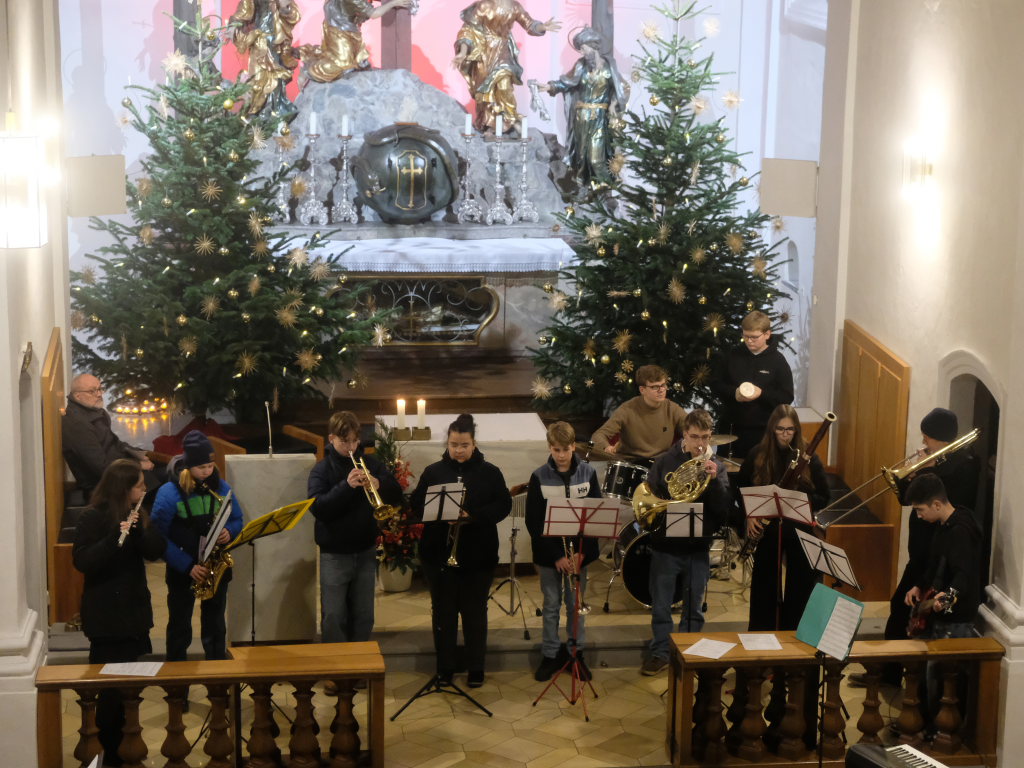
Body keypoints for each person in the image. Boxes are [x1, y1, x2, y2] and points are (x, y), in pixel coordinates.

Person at [72, 459, 165, 766]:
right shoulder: (91, 517)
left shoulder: (137, 514)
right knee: (109, 697)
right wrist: (114, 538)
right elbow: (83, 561)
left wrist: (138, 533)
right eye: (139, 485)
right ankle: (107, 758)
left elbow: (156, 550)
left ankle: (126, 755)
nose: (144, 490)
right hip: (106, 619)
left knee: (129, 695)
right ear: (123, 488)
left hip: (133, 615)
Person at [410, 414, 512, 688]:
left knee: (474, 612)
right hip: (438, 554)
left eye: (464, 445)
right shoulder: (434, 472)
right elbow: (416, 506)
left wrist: (472, 515)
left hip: (478, 555)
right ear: (448, 443)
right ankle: (445, 667)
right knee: (443, 613)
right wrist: (439, 513)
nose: (458, 450)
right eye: (454, 444)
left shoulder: (490, 472)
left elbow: (503, 505)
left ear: (474, 443)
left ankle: (476, 667)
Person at [641, 409, 730, 676]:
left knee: (694, 608)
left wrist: (714, 482)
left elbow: (723, 511)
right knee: (661, 606)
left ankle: (689, 653)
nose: (700, 444)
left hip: (698, 547)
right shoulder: (665, 462)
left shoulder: (717, 466)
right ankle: (660, 653)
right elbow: (652, 498)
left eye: (705, 437)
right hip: (666, 546)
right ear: (684, 435)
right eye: (694, 437)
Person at [308, 412, 402, 650]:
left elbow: (397, 493)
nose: (351, 447)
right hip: (334, 553)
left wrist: (379, 483)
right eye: (344, 441)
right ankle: (336, 665)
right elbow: (318, 508)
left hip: (365, 549)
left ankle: (360, 661)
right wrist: (346, 486)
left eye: (354, 441)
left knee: (364, 614)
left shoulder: (371, 464)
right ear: (331, 439)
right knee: (333, 616)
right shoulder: (321, 470)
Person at [735, 405, 830, 631]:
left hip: (799, 529)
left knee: (800, 587)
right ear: (772, 429)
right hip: (767, 531)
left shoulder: (809, 457)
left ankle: (793, 638)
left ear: (796, 430)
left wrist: (798, 499)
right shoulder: (758, 453)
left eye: (790, 429)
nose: (785, 434)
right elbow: (740, 488)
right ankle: (762, 638)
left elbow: (824, 496)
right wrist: (750, 514)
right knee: (765, 587)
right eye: (780, 429)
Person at [151, 430, 243, 662]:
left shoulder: (221, 487)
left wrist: (229, 531)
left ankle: (216, 667)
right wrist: (187, 565)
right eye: (201, 467)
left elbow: (237, 518)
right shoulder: (169, 493)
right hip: (183, 568)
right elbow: (158, 536)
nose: (207, 472)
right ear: (188, 466)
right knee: (179, 623)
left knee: (215, 623)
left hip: (215, 565)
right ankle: (176, 672)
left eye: (210, 466)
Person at [525, 421, 603, 682]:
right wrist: (556, 556)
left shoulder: (588, 473)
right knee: (551, 605)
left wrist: (582, 553)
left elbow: (596, 516)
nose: (561, 455)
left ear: (573, 447)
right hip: (550, 556)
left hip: (578, 553)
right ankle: (549, 655)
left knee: (575, 605)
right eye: (556, 449)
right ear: (550, 447)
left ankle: (575, 654)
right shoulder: (539, 476)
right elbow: (534, 523)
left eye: (566, 449)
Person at [540, 27, 628, 193]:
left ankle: (604, 192)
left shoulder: (609, 67)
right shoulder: (580, 66)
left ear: (593, 46)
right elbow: (567, 83)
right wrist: (550, 86)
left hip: (599, 118)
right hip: (581, 119)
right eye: (580, 49)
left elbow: (622, 88)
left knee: (596, 158)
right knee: (581, 158)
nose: (582, 52)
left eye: (583, 48)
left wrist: (613, 103)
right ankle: (585, 192)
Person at [453, 0, 560, 135]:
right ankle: (489, 124)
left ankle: (511, 119)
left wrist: (542, 27)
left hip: (503, 50)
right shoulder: (483, 5)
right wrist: (463, 52)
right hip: (484, 52)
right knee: (486, 90)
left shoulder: (514, 6)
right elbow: (468, 30)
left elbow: (529, 24)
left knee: (504, 86)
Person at [710, 311, 794, 460]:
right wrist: (734, 393)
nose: (749, 341)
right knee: (728, 468)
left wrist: (761, 394)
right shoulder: (732, 355)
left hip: (763, 430)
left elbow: (787, 396)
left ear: (767, 334)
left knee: (759, 470)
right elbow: (715, 384)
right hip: (731, 427)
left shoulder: (778, 361)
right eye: (745, 336)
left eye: (754, 337)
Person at [62, 373, 156, 495]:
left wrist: (139, 453)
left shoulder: (94, 412)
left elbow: (115, 443)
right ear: (78, 396)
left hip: (120, 468)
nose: (99, 394)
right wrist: (138, 465)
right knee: (167, 482)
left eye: (99, 389)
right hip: (106, 485)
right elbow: (101, 467)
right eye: (92, 391)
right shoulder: (77, 424)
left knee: (168, 468)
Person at [299, 0, 412, 84]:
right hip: (339, 30)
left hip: (348, 29)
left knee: (354, 63)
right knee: (341, 64)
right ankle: (308, 71)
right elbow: (373, 13)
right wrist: (393, 3)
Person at [591, 364, 688, 460]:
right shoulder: (627, 409)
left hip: (660, 463)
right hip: (631, 461)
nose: (661, 390)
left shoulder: (672, 408)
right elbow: (598, 435)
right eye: (655, 387)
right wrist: (607, 448)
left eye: (663, 385)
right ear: (642, 390)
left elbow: (691, 428)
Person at [231, 0, 301, 117]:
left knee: (276, 78)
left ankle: (275, 109)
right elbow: (241, 14)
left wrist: (284, 8)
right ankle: (258, 112)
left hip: (275, 42)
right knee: (258, 80)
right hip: (259, 43)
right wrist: (234, 27)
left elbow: (292, 13)